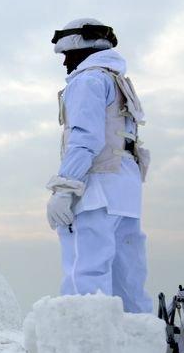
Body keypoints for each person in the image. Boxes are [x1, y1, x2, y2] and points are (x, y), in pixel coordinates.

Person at [47, 18, 152, 313]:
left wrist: (64, 188)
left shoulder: (88, 81)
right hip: (126, 193)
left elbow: (85, 139)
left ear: (82, 48)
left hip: (96, 192)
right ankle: (135, 348)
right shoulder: (118, 81)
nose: (65, 62)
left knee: (86, 274)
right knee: (128, 278)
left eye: (66, 54)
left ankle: (86, 349)